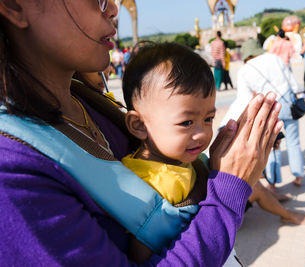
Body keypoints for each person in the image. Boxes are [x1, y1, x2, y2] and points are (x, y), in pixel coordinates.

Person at [0, 1, 283, 265]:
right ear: (14, 5)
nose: (112, 9)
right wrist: (228, 189)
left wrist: (222, 164)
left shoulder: (84, 98)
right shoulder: (10, 172)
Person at [121, 42, 217, 262]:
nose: (201, 134)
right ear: (139, 125)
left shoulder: (173, 159)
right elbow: (141, 256)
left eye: (208, 119)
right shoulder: (155, 186)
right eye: (186, 122)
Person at [220, 38, 305, 187]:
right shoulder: (274, 58)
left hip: (270, 107)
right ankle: (298, 176)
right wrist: (295, 94)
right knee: (294, 141)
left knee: (271, 145)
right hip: (289, 102)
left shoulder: (245, 70)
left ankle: (273, 184)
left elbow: (244, 98)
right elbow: (291, 80)